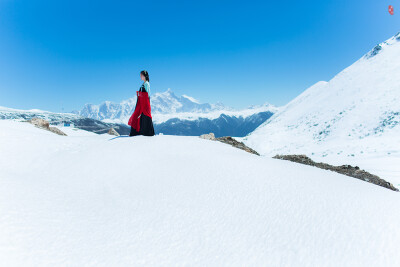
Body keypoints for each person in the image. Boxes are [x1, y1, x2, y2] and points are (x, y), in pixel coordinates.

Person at [128, 70, 155, 136]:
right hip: (141, 103)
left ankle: (146, 132)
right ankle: (140, 132)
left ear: (144, 76)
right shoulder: (144, 84)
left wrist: (140, 95)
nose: (140, 77)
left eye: (141, 75)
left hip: (145, 103)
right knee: (139, 116)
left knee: (144, 116)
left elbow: (147, 94)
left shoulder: (147, 84)